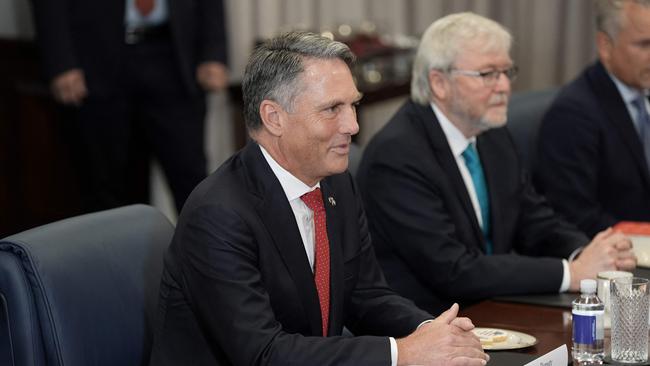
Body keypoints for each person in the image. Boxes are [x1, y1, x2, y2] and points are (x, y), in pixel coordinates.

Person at [148, 31, 489, 366]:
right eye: (332, 109)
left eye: (353, 105)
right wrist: (404, 354)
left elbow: (365, 295)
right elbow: (262, 353)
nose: (353, 125)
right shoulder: (218, 214)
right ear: (274, 117)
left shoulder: (336, 184)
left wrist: (431, 331)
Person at [356, 12, 637, 315]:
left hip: (494, 308)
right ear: (439, 82)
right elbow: (454, 270)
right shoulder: (397, 157)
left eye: (506, 72)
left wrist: (590, 254)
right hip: (430, 323)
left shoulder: (491, 133)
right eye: (488, 74)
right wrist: (571, 273)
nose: (504, 86)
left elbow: (534, 221)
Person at [30, 0, 229, 212]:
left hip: (173, 58)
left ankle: (207, 245)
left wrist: (213, 51)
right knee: (102, 184)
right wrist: (60, 60)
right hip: (95, 60)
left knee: (192, 181)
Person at [535, 0, 650, 237]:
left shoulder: (643, 89)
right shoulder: (572, 114)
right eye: (645, 44)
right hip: (615, 260)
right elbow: (573, 215)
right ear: (605, 45)